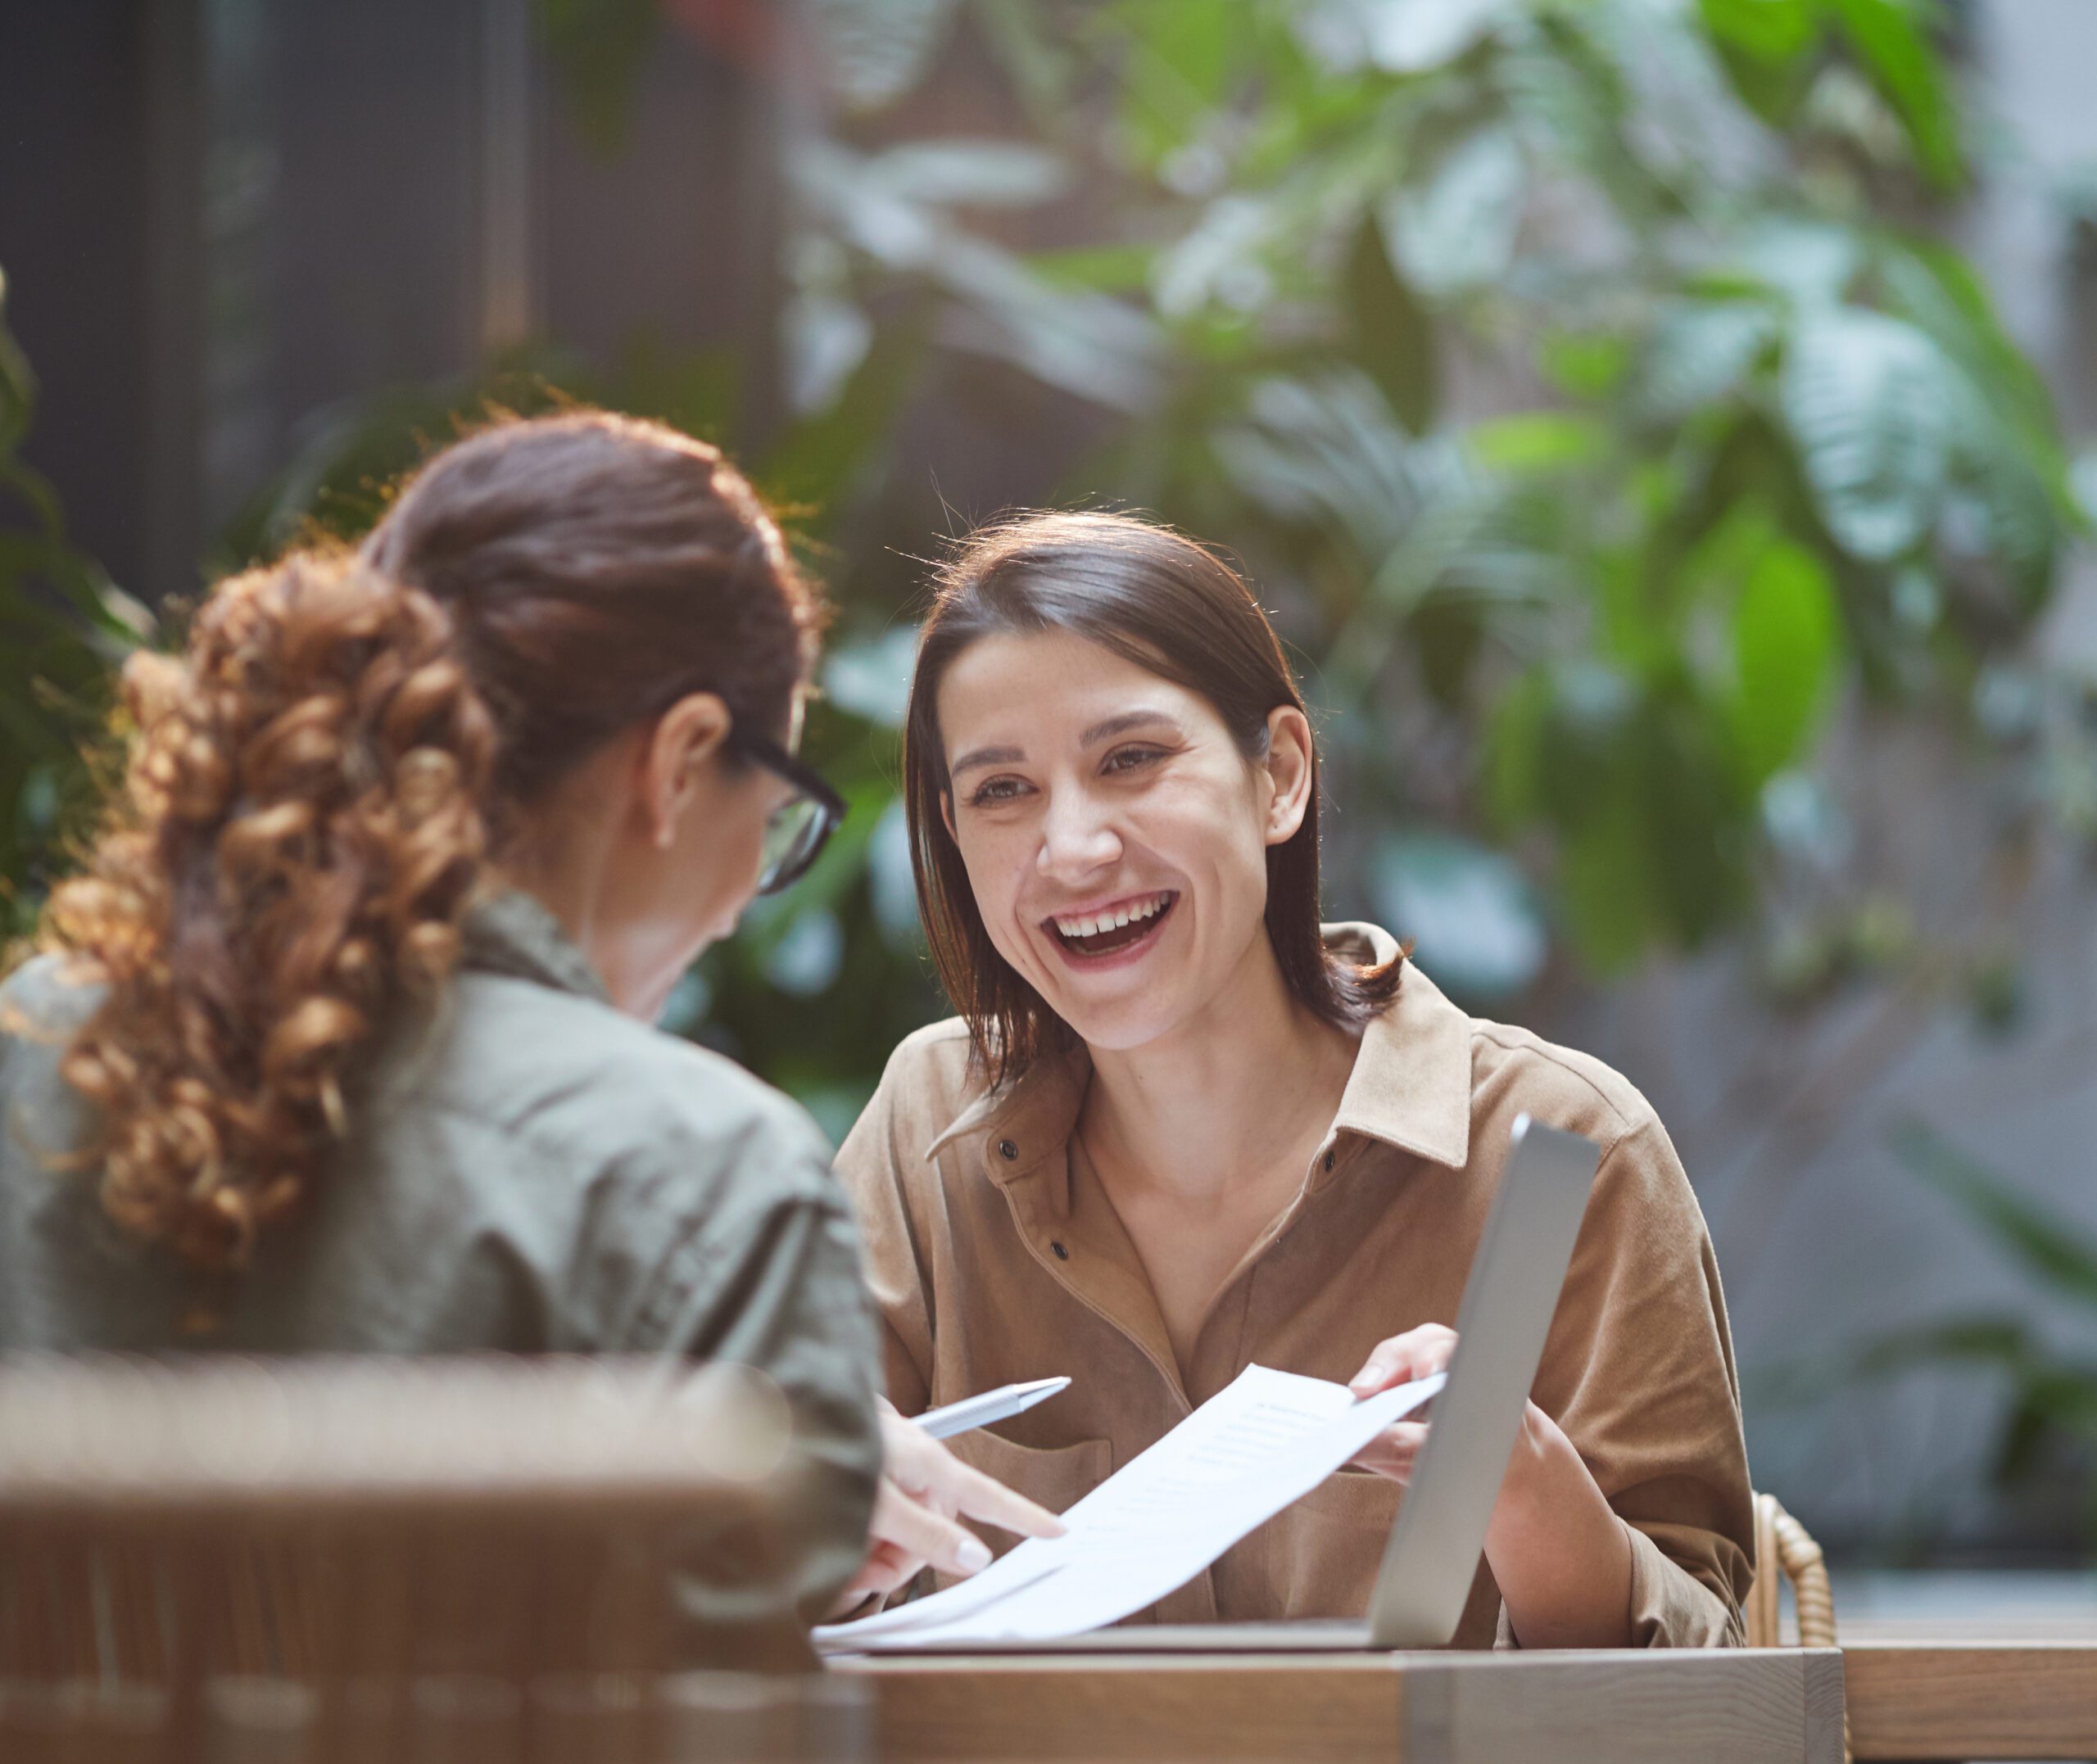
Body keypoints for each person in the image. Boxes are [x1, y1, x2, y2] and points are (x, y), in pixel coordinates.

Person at [0, 411, 1051, 1614]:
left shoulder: (33, 1043)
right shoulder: (699, 1175)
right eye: (770, 820)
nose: (731, 912)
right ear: (680, 761)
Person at [836, 510, 1755, 1646]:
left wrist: (1521, 1487)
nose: (1071, 850)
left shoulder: (1566, 1145)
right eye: (1002, 792)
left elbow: (1709, 1700)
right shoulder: (924, 1131)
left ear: (1279, 776)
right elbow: (742, 1567)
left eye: (1130, 760)